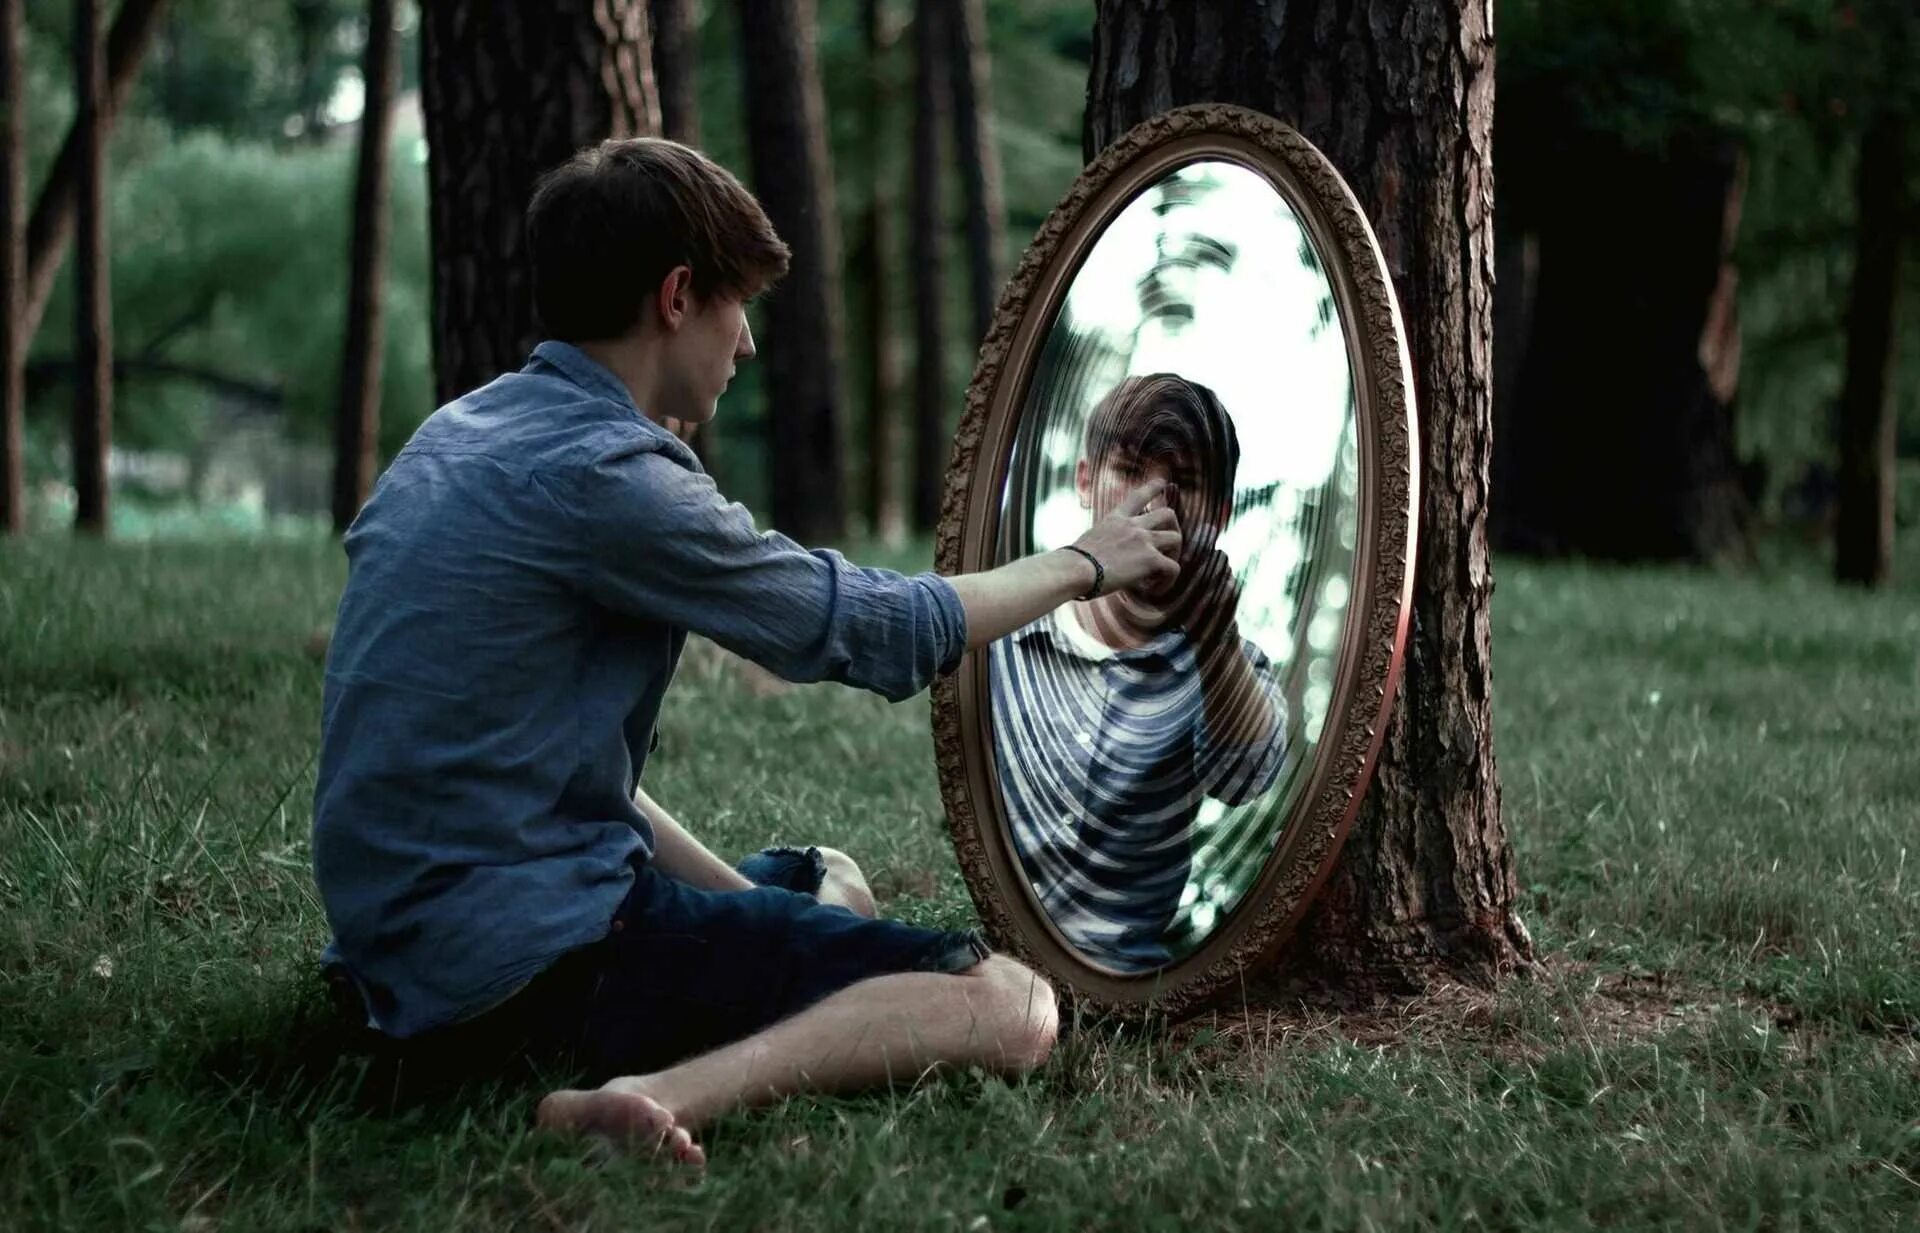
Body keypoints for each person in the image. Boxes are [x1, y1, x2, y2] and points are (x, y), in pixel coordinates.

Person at [310, 137, 1183, 1168]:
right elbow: (873, 628)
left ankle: (726, 990)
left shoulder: (454, 437)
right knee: (1012, 1004)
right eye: (740, 304)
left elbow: (553, 774)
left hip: (394, 963)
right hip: (529, 963)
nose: (750, 344)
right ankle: (655, 1094)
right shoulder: (612, 478)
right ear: (677, 296)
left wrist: (761, 914)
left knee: (828, 878)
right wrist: (1085, 560)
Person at [989, 374, 1287, 972]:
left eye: (1187, 486)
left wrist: (1216, 643)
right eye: (1129, 473)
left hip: (1126, 982)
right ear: (1083, 482)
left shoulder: (1217, 665)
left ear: (1221, 513)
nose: (1154, 509)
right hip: (991, 956)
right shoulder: (1008, 628)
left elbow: (1248, 779)